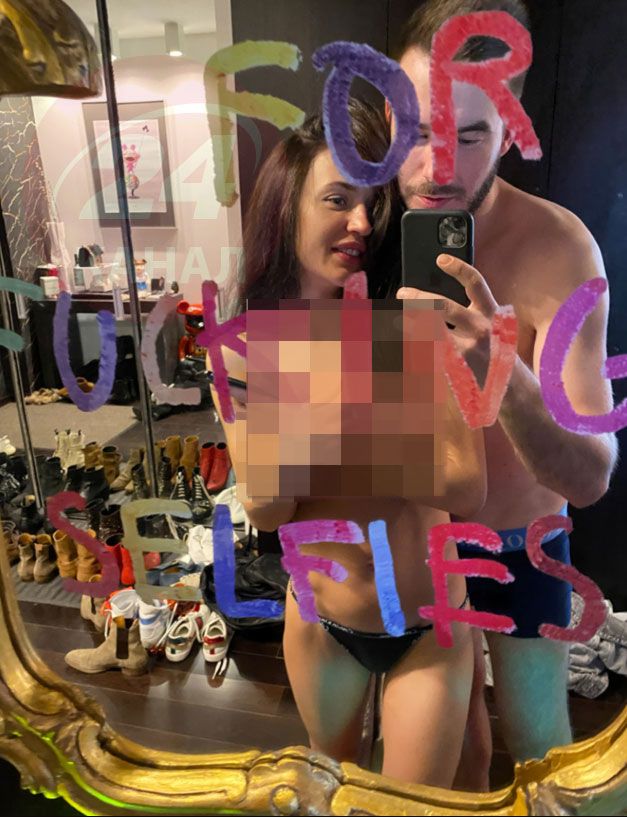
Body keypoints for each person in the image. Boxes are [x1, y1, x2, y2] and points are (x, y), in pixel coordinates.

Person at [209, 100, 488, 786]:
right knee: (331, 790)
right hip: (321, 623)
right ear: (287, 208)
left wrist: (311, 425)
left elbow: (465, 485)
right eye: (337, 199)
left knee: (410, 803)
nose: (361, 222)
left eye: (371, 204)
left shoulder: (413, 323)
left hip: (429, 623)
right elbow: (268, 507)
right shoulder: (242, 348)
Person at [391, 0, 618, 789]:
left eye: (468, 136)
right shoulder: (353, 223)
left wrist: (503, 369)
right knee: (445, 760)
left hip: (519, 543)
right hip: (406, 539)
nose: (436, 168)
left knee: (541, 758)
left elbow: (590, 475)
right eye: (416, 131)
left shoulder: (559, 248)